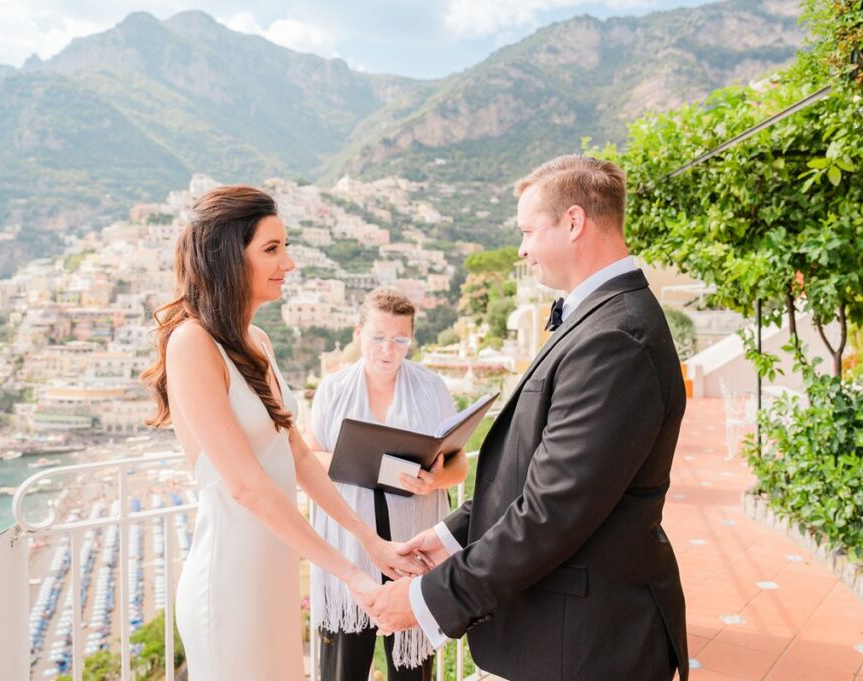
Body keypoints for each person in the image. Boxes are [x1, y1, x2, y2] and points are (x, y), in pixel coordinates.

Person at [363, 155, 690, 681]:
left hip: (581, 642)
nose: (521, 248)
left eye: (529, 230)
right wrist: (449, 537)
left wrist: (427, 600)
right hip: (562, 632)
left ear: (574, 222)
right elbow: (533, 470)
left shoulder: (615, 337)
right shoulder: (599, 319)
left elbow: (553, 509)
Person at [140, 186, 422, 681]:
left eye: (285, 246)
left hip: (272, 575)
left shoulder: (257, 341)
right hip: (229, 581)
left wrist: (371, 543)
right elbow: (247, 487)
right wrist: (352, 575)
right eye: (271, 249)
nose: (288, 263)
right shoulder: (192, 343)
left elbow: (297, 454)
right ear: (228, 257)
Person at [304, 288, 469, 680]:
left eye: (399, 340)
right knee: (342, 670)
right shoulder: (333, 389)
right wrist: (369, 466)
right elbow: (310, 456)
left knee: (413, 670)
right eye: (378, 338)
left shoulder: (432, 388)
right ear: (358, 333)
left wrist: (436, 479)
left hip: (413, 547)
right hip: (349, 545)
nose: (387, 351)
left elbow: (458, 463)